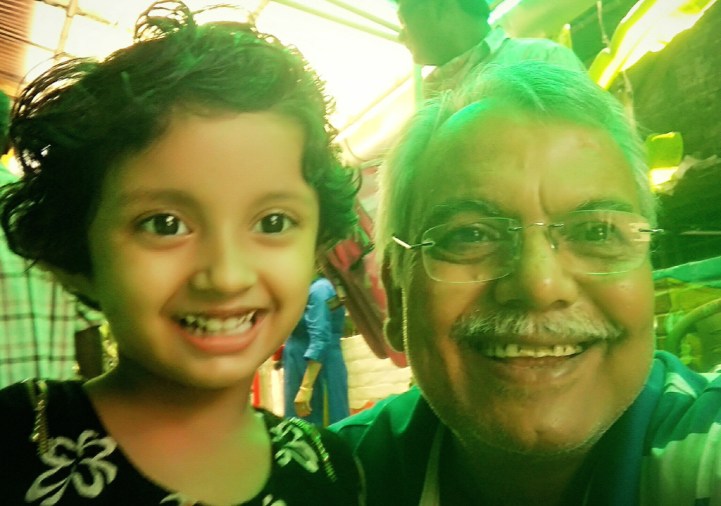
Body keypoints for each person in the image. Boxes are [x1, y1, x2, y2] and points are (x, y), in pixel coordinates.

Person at [0, 1, 364, 504]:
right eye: (165, 224)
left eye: (273, 222)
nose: (227, 275)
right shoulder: (14, 440)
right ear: (77, 259)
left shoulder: (330, 470)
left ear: (316, 245)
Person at [330, 61, 721, 505]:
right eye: (470, 235)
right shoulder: (331, 479)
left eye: (597, 232)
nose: (539, 285)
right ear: (397, 294)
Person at [0, 91, 105, 386]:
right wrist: (93, 406)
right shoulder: (49, 214)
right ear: (8, 142)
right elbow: (87, 327)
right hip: (47, 409)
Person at [391, 0, 585, 95]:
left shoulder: (539, 58)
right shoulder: (429, 97)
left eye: (404, 22)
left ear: (439, 6)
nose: (401, 36)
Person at [284, 274, 350, 426]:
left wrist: (306, 387)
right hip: (299, 369)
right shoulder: (304, 290)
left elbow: (320, 339)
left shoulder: (319, 290)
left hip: (317, 372)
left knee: (321, 426)